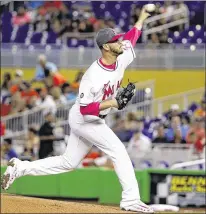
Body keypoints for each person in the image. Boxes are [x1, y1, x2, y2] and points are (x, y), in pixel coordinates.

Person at [1, 6, 154, 213]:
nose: (121, 42)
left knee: (68, 162)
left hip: (94, 118)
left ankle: (21, 167)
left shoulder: (122, 55)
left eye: (119, 39)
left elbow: (132, 36)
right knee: (118, 151)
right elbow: (85, 110)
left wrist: (142, 16)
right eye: (115, 41)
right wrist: (113, 103)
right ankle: (130, 199)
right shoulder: (93, 75)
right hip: (85, 119)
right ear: (106, 47)